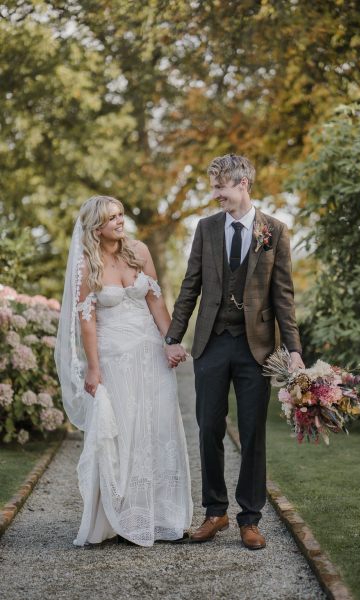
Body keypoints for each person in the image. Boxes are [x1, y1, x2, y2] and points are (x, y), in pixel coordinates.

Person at [164, 154, 304, 550]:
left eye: (220, 187)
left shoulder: (274, 230)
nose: (215, 195)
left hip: (256, 348)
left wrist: (293, 349)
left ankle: (250, 518)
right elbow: (190, 286)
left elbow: (284, 297)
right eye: (213, 187)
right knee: (208, 426)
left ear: (242, 184)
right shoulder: (206, 228)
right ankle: (215, 512)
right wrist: (173, 337)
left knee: (253, 431)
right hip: (211, 342)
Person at [55, 195, 192, 547]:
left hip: (150, 354)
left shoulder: (139, 251)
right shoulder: (87, 263)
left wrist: (170, 341)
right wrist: (93, 369)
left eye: (120, 214)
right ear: (96, 228)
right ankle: (125, 515)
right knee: (124, 432)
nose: (120, 221)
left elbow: (155, 301)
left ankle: (161, 516)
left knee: (158, 428)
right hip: (114, 358)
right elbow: (87, 321)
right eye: (111, 218)